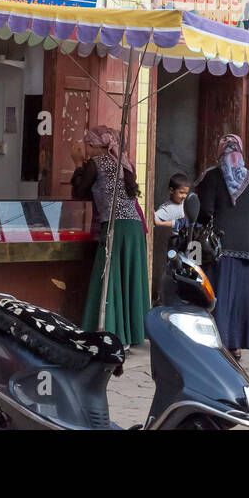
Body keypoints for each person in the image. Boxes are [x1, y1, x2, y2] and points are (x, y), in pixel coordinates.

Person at [75, 126, 148, 347]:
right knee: (126, 278)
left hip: (116, 227)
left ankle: (113, 334)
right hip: (134, 228)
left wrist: (78, 164)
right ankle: (131, 334)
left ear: (94, 146)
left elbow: (79, 192)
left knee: (109, 276)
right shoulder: (124, 163)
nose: (84, 149)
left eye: (86, 145)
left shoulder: (95, 164)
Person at [195, 133, 249, 360]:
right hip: (243, 245)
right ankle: (236, 345)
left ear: (220, 151)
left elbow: (205, 211)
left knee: (217, 294)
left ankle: (217, 342)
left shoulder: (212, 176)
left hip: (218, 245)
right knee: (239, 296)